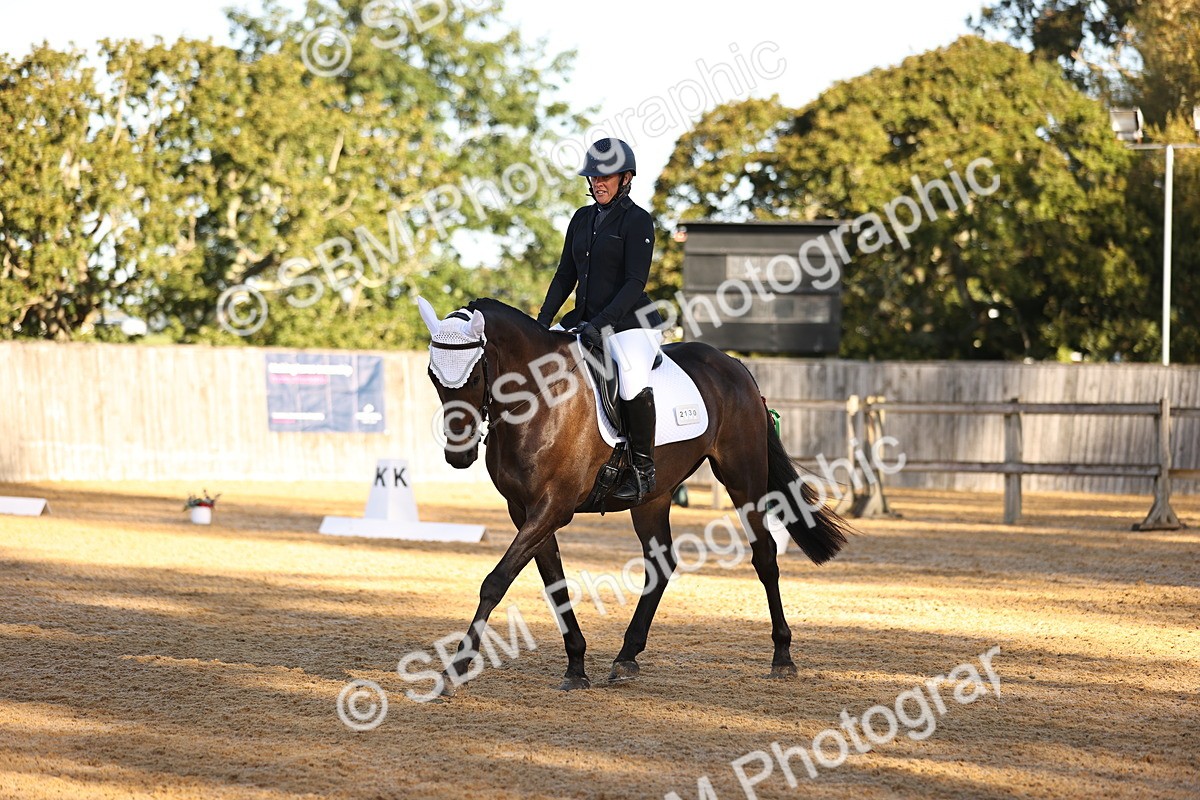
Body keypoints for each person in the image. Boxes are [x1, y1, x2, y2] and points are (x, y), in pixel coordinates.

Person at [536, 137, 664, 504]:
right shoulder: (581, 218)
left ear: (626, 178)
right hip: (585, 319)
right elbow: (565, 276)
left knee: (630, 379)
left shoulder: (638, 220)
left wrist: (604, 322)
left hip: (631, 323)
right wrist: (542, 323)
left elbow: (634, 282)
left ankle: (643, 469)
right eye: (593, 177)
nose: (598, 183)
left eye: (606, 177)